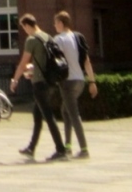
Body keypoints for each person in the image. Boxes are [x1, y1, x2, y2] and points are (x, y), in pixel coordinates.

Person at [9, 14, 67, 161]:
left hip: (40, 83)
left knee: (48, 116)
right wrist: (33, 70)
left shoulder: (32, 40)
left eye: (23, 28)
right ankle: (31, 148)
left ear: (27, 25)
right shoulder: (47, 37)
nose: (24, 31)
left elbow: (23, 63)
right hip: (50, 82)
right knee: (37, 115)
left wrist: (15, 79)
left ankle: (60, 149)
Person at [52, 10, 98, 158]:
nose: (54, 26)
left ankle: (84, 149)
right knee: (65, 111)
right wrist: (92, 81)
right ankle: (68, 146)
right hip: (80, 81)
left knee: (73, 114)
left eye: (55, 23)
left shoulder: (58, 39)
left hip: (67, 81)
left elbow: (52, 61)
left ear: (60, 23)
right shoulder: (78, 37)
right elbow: (87, 61)